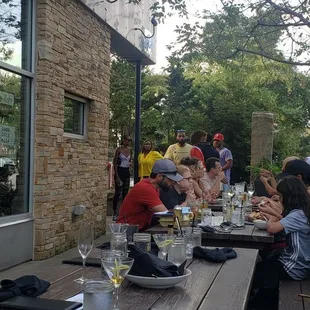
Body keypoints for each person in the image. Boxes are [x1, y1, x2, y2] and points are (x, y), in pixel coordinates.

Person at [254, 177, 310, 293]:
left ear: (289, 197)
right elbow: (284, 221)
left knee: (252, 275)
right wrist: (272, 215)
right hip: (296, 263)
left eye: (280, 196)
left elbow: (272, 228)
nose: (279, 199)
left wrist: (271, 218)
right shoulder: (302, 211)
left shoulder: (298, 214)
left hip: (293, 268)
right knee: (259, 266)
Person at [117, 159, 183, 231]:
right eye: (170, 179)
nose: (173, 182)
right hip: (126, 231)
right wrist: (186, 207)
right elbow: (166, 214)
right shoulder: (146, 188)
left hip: (136, 229)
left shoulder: (155, 188)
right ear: (159, 177)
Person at [112, 135, 132, 221]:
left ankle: (123, 212)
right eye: (126, 140)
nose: (127, 142)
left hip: (126, 171)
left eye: (129, 140)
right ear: (123, 140)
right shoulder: (119, 149)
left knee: (125, 193)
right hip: (119, 171)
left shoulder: (130, 150)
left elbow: (130, 161)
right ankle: (115, 212)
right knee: (118, 193)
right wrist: (116, 175)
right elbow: (115, 161)